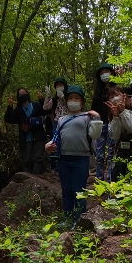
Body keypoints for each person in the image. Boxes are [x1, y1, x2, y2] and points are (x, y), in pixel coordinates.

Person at [45, 85, 103, 225]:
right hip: (63, 158)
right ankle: (67, 218)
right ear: (66, 100)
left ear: (82, 101)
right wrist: (48, 146)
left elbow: (95, 135)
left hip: (81, 159)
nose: (73, 101)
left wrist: (97, 118)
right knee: (66, 190)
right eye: (71, 98)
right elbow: (56, 138)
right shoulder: (61, 119)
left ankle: (79, 219)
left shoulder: (87, 117)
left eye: (77, 98)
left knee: (79, 190)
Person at [107, 84, 132, 180]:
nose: (115, 99)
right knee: (117, 176)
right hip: (122, 149)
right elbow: (115, 136)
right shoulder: (113, 110)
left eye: (117, 95)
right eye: (111, 97)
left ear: (124, 96)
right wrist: (116, 117)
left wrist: (123, 112)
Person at [4, 87, 47, 174]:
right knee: (26, 160)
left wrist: (41, 100)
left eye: (24, 93)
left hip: (38, 136)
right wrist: (10, 107)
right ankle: (27, 180)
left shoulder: (36, 105)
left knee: (38, 158)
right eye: (20, 94)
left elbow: (45, 111)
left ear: (28, 94)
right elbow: (9, 119)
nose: (23, 95)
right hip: (26, 138)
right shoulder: (18, 110)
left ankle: (36, 179)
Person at [91, 61, 115, 180]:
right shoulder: (98, 92)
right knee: (99, 155)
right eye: (102, 73)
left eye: (107, 72)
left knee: (112, 154)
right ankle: (99, 180)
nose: (105, 74)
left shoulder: (117, 89)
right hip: (101, 125)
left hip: (114, 124)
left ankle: (110, 180)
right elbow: (93, 109)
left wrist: (122, 78)